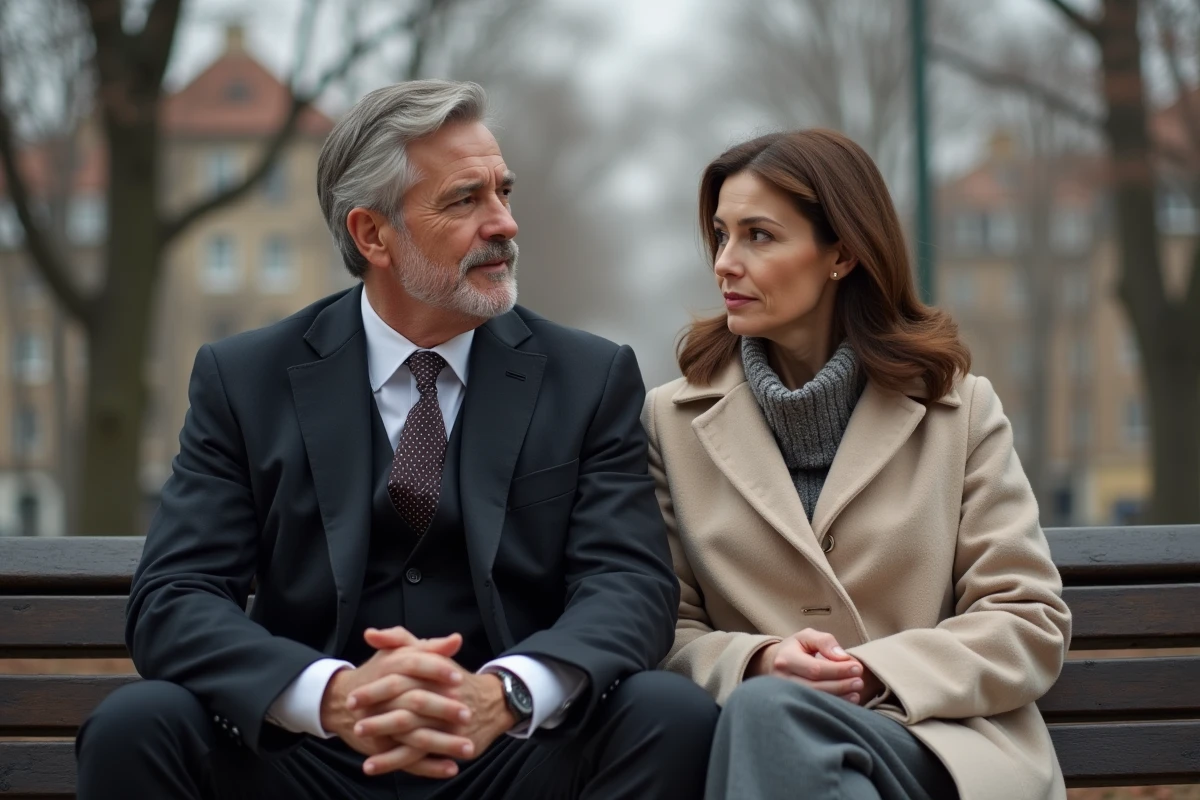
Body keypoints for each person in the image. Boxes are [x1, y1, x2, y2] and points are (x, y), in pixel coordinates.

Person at [75, 79, 717, 800]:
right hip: (305, 758)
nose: (504, 223)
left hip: (513, 756)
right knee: (137, 725)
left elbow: (629, 583)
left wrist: (506, 693)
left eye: (503, 192)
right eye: (465, 200)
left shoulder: (589, 377)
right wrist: (331, 695)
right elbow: (174, 596)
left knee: (668, 715)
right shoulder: (245, 380)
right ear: (372, 235)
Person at [642, 129, 1072, 800]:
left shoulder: (960, 410)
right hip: (762, 748)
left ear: (841, 254)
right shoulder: (670, 423)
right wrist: (757, 663)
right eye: (721, 236)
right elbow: (663, 627)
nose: (725, 263)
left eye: (759, 236)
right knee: (772, 716)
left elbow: (1026, 618)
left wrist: (871, 673)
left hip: (936, 743)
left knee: (775, 720)